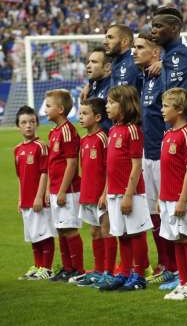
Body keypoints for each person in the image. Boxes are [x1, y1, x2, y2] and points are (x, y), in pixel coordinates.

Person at [133, 32, 177, 286]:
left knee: (170, 213)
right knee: (154, 214)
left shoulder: (164, 76)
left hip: (164, 156)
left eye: (140, 47)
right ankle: (164, 263)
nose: (135, 51)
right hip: (147, 154)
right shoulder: (145, 78)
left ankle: (176, 266)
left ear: (156, 53)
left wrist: (167, 63)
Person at [99, 85, 153, 291]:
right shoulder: (113, 130)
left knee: (135, 233)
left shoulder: (133, 130)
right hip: (113, 192)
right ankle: (125, 271)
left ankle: (138, 275)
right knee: (121, 233)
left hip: (131, 193)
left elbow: (137, 165)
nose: (107, 106)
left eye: (112, 102)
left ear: (125, 105)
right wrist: (106, 192)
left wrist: (128, 195)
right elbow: (110, 167)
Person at [158, 88, 187, 300]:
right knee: (176, 239)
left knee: (186, 238)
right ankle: (183, 282)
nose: (162, 110)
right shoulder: (167, 134)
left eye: (166, 106)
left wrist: (183, 199)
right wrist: (160, 197)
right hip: (167, 196)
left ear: (180, 109)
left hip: (182, 197)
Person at [72, 98, 116, 287]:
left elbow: (109, 168)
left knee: (106, 231)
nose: (80, 117)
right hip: (88, 194)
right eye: (80, 113)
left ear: (97, 117)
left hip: (101, 195)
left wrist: (105, 193)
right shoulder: (84, 140)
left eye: (85, 113)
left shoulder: (102, 138)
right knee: (94, 232)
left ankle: (109, 271)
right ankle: (98, 270)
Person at [44, 89, 84, 282]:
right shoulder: (54, 132)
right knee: (60, 228)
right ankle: (67, 267)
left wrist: (61, 191)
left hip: (67, 190)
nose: (45, 109)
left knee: (70, 228)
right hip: (56, 189)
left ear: (60, 109)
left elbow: (72, 163)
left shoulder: (68, 130)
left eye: (49, 105)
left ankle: (78, 268)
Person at [151, 11, 187, 136]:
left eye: (158, 26)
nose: (153, 30)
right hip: (170, 134)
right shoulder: (164, 57)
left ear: (174, 28)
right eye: (153, 26)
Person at [15, 105, 55, 280]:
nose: (28, 126)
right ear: (18, 126)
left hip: (37, 200)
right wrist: (19, 199)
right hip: (26, 200)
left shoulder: (41, 146)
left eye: (32, 122)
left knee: (44, 233)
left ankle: (47, 268)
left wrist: (40, 196)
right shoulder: (17, 150)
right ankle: (38, 265)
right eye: (24, 122)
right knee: (33, 234)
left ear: (37, 123)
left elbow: (45, 172)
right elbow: (20, 177)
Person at [104, 24, 142, 92]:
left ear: (124, 42)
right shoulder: (115, 62)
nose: (105, 42)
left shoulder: (137, 57)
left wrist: (160, 63)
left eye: (110, 37)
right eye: (106, 38)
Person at [84, 47, 113, 133]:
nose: (88, 65)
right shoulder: (93, 86)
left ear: (107, 67)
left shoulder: (113, 88)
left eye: (94, 62)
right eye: (88, 62)